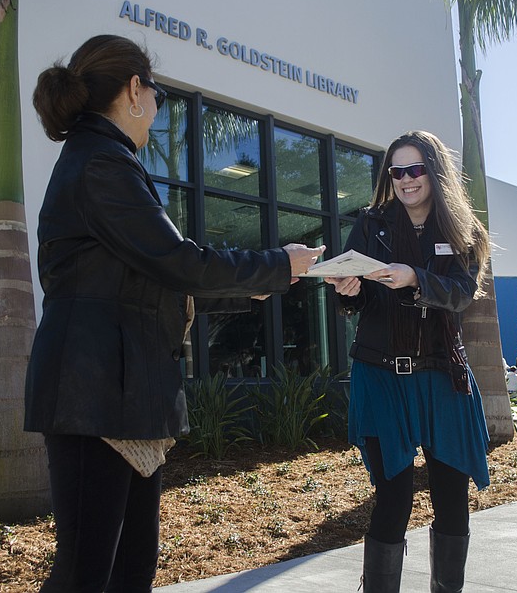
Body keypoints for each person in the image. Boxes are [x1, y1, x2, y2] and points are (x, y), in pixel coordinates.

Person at [24, 35, 323, 592]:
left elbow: (151, 278)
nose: (158, 109)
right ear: (134, 90)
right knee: (87, 572)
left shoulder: (105, 161)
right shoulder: (101, 165)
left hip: (119, 391)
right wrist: (276, 265)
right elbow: (179, 262)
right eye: (157, 93)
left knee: (130, 567)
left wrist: (255, 286)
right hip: (97, 393)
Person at [325, 131, 490, 593]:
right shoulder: (371, 225)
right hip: (382, 376)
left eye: (415, 169)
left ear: (434, 172)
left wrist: (414, 277)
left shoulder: (464, 231)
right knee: (393, 498)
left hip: (443, 374)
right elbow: (356, 300)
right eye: (397, 172)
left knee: (451, 498)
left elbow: (461, 294)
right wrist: (349, 291)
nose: (406, 180)